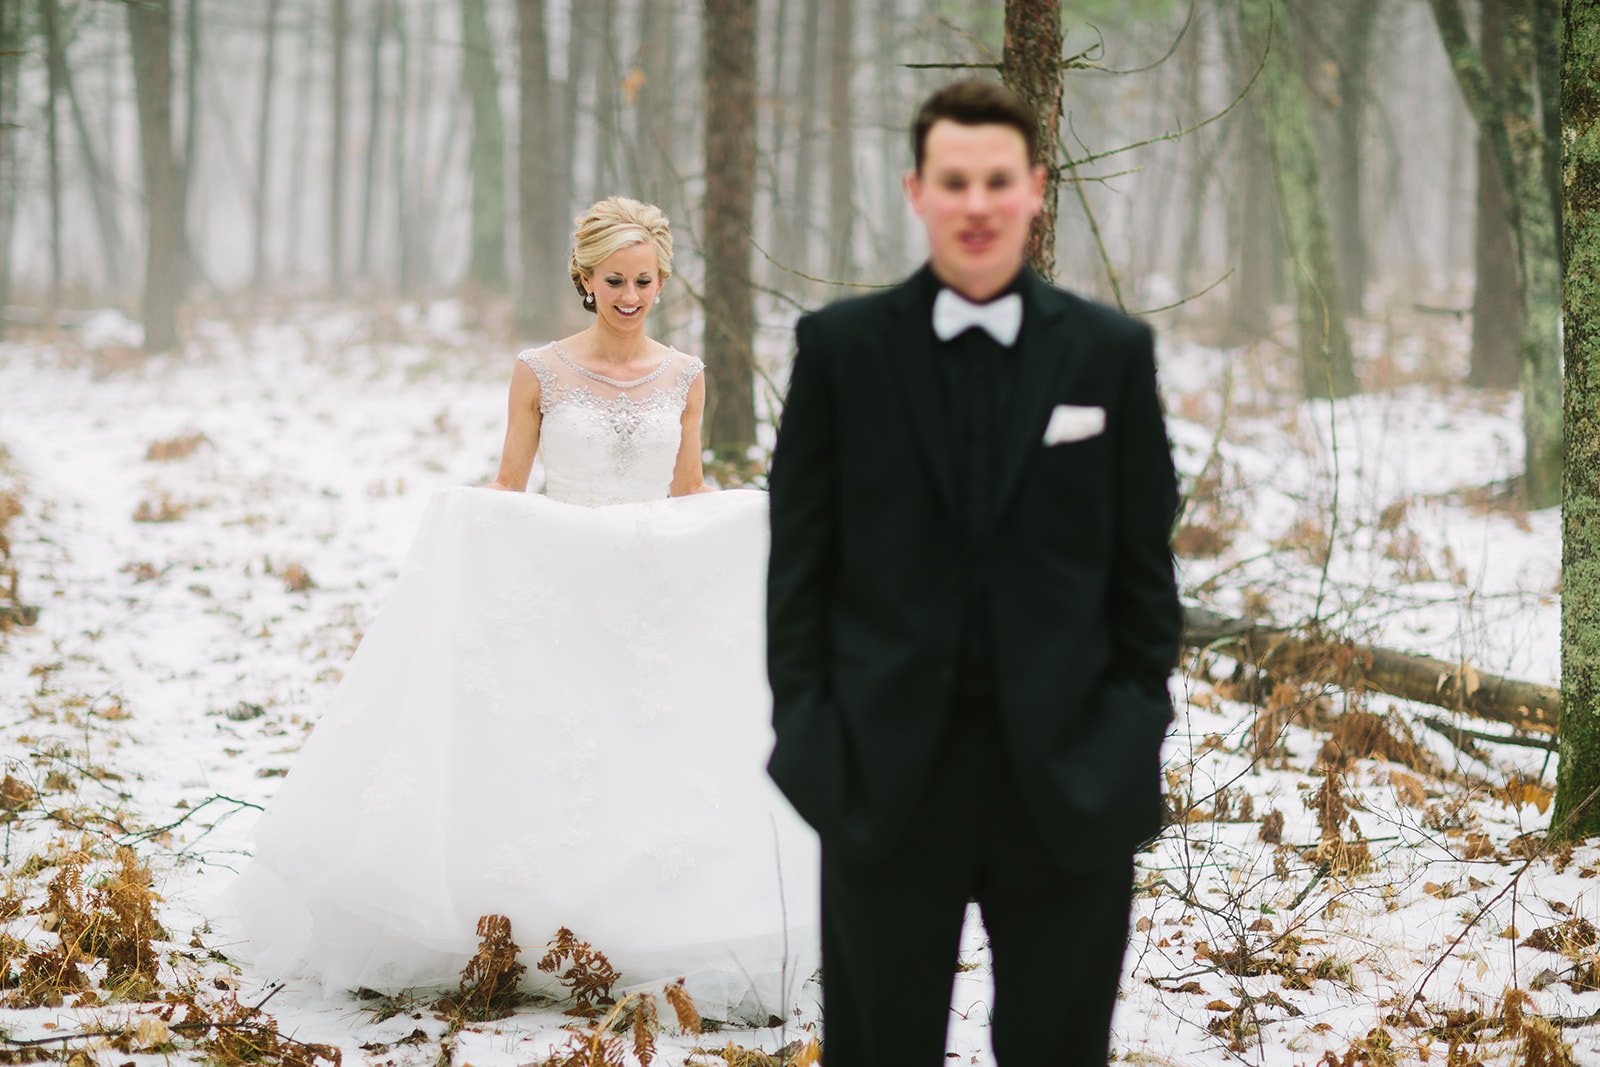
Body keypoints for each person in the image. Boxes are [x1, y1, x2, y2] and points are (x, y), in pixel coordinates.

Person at [229, 197, 819, 1024]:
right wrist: (467, 526)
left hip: (649, 595)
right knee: (554, 752)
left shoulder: (687, 374)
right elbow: (511, 485)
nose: (629, 295)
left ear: (661, 281)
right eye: (614, 279)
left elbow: (688, 489)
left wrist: (744, 527)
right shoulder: (539, 371)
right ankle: (525, 926)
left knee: (649, 754)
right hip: (560, 585)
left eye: (643, 280)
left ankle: (652, 931)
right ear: (585, 278)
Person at [765, 80, 1181, 1065]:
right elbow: (799, 575)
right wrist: (816, 745)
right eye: (954, 182)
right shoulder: (840, 350)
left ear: (1036, 187)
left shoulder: (1111, 353)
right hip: (883, 785)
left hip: (1071, 783)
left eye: (998, 180)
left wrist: (1127, 731)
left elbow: (1143, 578)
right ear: (917, 191)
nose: (978, 204)